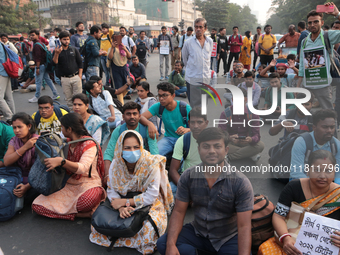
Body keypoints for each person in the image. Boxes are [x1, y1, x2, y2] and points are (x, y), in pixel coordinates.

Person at [157, 127, 254, 255]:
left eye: (217, 146)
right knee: (164, 244)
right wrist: (171, 245)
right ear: (199, 150)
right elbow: (179, 211)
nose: (212, 151)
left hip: (227, 237)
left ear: (226, 150)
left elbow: (244, 226)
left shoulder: (240, 182)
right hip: (198, 232)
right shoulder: (188, 176)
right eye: (206, 146)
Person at [90, 130, 174, 254]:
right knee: (96, 225)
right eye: (127, 148)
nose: (132, 151)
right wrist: (120, 208)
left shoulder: (151, 163)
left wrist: (126, 202)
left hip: (146, 203)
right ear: (120, 148)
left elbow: (151, 195)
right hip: (120, 201)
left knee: (149, 229)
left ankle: (123, 238)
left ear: (141, 147)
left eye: (136, 147)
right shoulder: (116, 164)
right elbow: (112, 189)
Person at [258, 150, 340, 255]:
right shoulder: (294, 187)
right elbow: (279, 216)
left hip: (326, 247)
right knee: (266, 250)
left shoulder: (338, 195)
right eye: (317, 170)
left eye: (328, 171)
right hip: (291, 240)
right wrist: (285, 238)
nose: (323, 176)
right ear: (307, 170)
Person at [32, 113, 105, 220]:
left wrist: (62, 162)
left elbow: (82, 168)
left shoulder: (89, 144)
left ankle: (68, 211)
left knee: (87, 201)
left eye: (62, 127)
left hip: (88, 184)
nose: (61, 130)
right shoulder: (66, 143)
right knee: (37, 206)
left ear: (69, 129)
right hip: (68, 183)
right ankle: (78, 215)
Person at [297, 7, 340, 111]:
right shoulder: (304, 41)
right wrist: (298, 86)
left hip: (323, 85)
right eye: (310, 22)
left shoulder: (328, 36)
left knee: (328, 114)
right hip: (308, 84)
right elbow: (302, 65)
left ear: (322, 22)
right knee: (303, 112)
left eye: (316, 22)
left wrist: (338, 14)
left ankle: (332, 128)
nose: (312, 25)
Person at [104, 101, 159, 173]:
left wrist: (154, 172)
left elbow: (154, 153)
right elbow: (109, 153)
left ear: (139, 116)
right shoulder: (118, 130)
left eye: (134, 114)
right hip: (123, 166)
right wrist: (107, 174)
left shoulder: (147, 130)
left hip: (144, 166)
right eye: (128, 114)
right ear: (123, 117)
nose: (132, 117)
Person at [290, 109, 340, 183]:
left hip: (325, 181)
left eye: (332, 127)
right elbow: (296, 172)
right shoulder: (301, 142)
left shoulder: (336, 144)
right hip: (304, 180)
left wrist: (334, 188)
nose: (329, 130)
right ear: (314, 127)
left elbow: (338, 172)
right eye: (325, 127)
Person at [142, 82, 191, 157]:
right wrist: (150, 124)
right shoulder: (158, 106)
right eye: (159, 95)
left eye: (165, 95)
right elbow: (141, 117)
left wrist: (187, 130)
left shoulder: (184, 107)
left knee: (181, 162)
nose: (161, 98)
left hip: (183, 139)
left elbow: (199, 127)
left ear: (173, 95)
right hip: (168, 139)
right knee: (154, 156)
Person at [169, 107, 208, 196]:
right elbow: (173, 170)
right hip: (188, 180)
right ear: (189, 123)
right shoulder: (183, 140)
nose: (196, 126)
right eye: (193, 122)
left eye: (199, 122)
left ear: (206, 123)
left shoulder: (215, 140)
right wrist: (186, 189)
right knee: (165, 192)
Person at [219, 88, 265, 161]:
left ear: (245, 100)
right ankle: (250, 154)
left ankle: (229, 157)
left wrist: (251, 139)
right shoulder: (225, 113)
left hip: (247, 142)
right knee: (220, 146)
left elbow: (257, 135)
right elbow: (221, 135)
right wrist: (230, 138)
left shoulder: (253, 114)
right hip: (231, 143)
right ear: (233, 99)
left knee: (260, 145)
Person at [3, 113, 39, 202]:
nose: (17, 130)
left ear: (29, 126)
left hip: (34, 179)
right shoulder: (14, 140)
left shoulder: (38, 141)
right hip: (18, 175)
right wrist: (25, 147)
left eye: (20, 127)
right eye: (14, 127)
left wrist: (27, 187)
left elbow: (42, 171)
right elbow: (6, 161)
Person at [182, 18, 213, 107]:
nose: (198, 29)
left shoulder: (209, 41)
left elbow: (208, 58)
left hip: (205, 79)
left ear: (205, 28)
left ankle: (202, 121)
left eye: (200, 27)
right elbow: (185, 60)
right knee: (195, 107)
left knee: (203, 106)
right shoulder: (188, 43)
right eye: (196, 27)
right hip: (192, 79)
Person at [28, 29, 60, 103]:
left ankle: (36, 96)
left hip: (40, 65)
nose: (31, 37)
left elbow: (38, 58)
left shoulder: (36, 45)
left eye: (33, 35)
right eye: (30, 35)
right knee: (48, 80)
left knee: (38, 81)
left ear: (37, 35)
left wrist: (38, 68)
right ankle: (56, 93)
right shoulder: (41, 43)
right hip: (45, 65)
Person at [52, 31, 83, 109]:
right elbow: (55, 62)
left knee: (78, 98)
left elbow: (80, 63)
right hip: (65, 78)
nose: (66, 41)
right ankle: (72, 114)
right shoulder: (57, 50)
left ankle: (79, 115)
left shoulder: (74, 49)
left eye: (68, 39)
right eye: (64, 39)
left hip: (76, 77)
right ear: (60, 40)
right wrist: (57, 54)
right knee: (68, 99)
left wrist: (79, 76)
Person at [107, 34, 131, 104]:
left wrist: (125, 49)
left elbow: (129, 57)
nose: (117, 40)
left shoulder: (124, 47)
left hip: (124, 68)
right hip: (115, 69)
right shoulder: (111, 48)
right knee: (118, 88)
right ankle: (121, 105)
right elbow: (110, 58)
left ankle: (118, 101)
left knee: (127, 87)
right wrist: (112, 47)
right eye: (115, 39)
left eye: (119, 39)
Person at [0, 39, 15, 121]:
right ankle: (14, 117)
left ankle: (10, 117)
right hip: (6, 72)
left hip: (1, 73)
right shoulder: (2, 44)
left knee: (0, 97)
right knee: (8, 97)